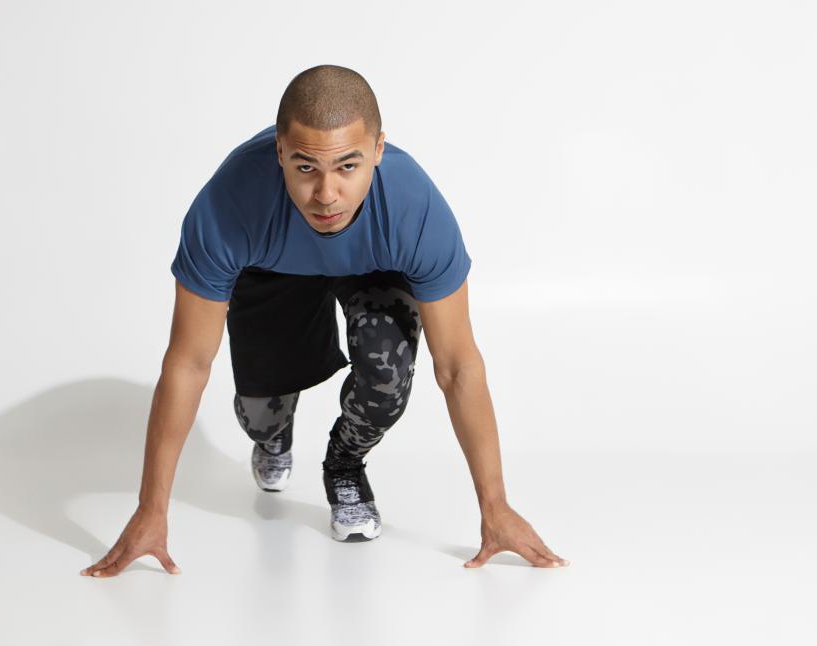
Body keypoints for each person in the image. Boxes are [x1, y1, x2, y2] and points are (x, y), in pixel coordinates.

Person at [81, 64, 568, 577]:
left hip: (371, 268)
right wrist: (151, 511)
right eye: (306, 167)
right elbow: (188, 362)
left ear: (379, 152)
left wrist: (496, 508)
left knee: (388, 378)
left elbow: (458, 367)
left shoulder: (415, 210)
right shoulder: (228, 206)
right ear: (279, 153)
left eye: (348, 166)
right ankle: (273, 434)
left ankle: (344, 465)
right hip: (273, 269)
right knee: (258, 417)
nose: (327, 194)